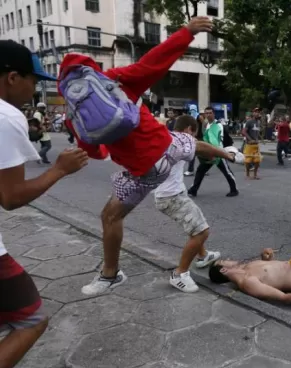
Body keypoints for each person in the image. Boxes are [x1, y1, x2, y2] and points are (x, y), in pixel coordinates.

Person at [61, 17, 238, 296]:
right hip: (166, 146)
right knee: (192, 143)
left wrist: (111, 148)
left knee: (110, 217)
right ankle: (229, 156)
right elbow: (154, 63)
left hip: (142, 173)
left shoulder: (73, 112)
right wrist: (186, 33)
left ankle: (109, 275)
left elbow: (95, 150)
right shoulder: (113, 79)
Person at [0, 40, 88, 368]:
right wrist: (60, 170)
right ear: (11, 77)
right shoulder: (6, 116)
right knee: (31, 319)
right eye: (32, 80)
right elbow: (10, 197)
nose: (33, 89)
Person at [155, 115, 221, 293]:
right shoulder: (178, 140)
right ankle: (179, 274)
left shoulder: (168, 139)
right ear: (188, 130)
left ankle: (203, 255)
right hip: (171, 196)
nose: (194, 138)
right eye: (194, 133)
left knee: (194, 225)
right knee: (201, 231)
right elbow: (201, 147)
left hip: (171, 193)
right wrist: (227, 154)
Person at [187, 106, 238, 197]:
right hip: (209, 152)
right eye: (207, 113)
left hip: (218, 153)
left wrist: (218, 151)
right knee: (200, 171)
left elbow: (218, 139)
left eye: (210, 113)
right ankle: (193, 190)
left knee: (226, 171)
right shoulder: (207, 125)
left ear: (214, 114)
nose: (208, 115)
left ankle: (234, 190)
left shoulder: (218, 125)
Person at [242, 108, 262, 179]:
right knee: (248, 161)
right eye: (256, 112)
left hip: (256, 145)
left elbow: (257, 132)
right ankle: (247, 174)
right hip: (249, 145)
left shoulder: (258, 122)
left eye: (258, 112)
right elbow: (244, 132)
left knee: (257, 160)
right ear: (253, 113)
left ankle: (255, 175)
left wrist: (261, 138)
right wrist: (250, 139)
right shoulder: (249, 122)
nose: (257, 113)